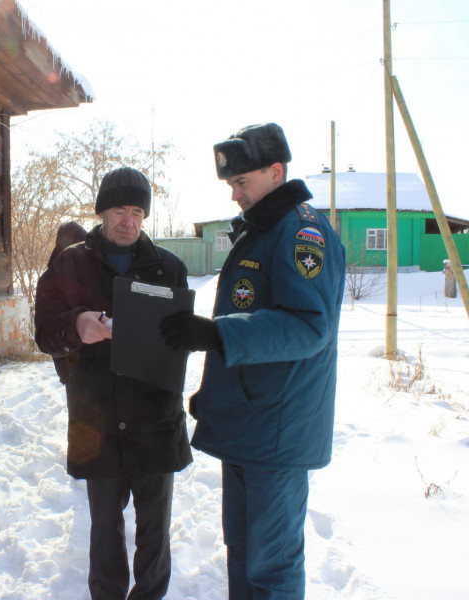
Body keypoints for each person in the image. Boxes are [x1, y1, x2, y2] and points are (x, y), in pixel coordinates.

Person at [160, 123, 346, 599]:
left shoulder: (301, 232)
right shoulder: (263, 231)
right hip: (251, 426)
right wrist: (218, 391)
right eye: (230, 185)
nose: (234, 195)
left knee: (273, 566)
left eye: (242, 183)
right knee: (244, 554)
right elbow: (252, 319)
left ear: (276, 171)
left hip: (277, 434)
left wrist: (215, 333)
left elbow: (308, 326)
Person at [35, 167, 192, 599]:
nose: (129, 220)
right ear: (102, 213)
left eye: (138, 211)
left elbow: (180, 342)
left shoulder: (169, 268)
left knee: (155, 532)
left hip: (155, 421)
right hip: (98, 421)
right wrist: (76, 325)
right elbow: (44, 333)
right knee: (104, 531)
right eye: (120, 210)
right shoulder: (69, 264)